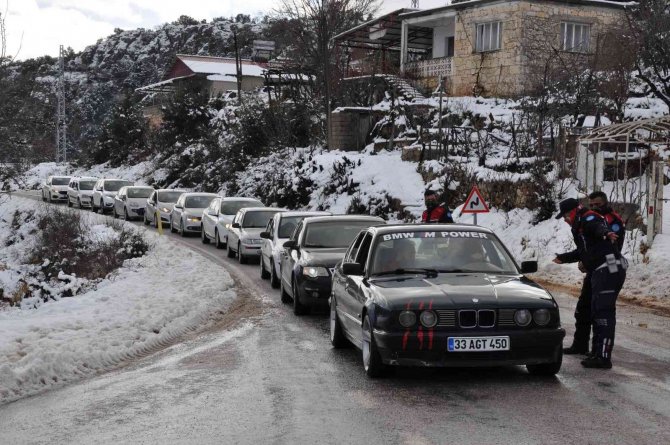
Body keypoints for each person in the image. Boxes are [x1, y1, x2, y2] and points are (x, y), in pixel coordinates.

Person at [553, 198, 627, 369]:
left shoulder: (588, 218)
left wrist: (606, 233)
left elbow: (597, 227)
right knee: (587, 308)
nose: (565, 220)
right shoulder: (579, 225)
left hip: (610, 267)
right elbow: (583, 250)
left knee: (603, 313)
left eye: (565, 216)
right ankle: (588, 349)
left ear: (572, 211)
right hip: (598, 268)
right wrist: (563, 258)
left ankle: (603, 356)